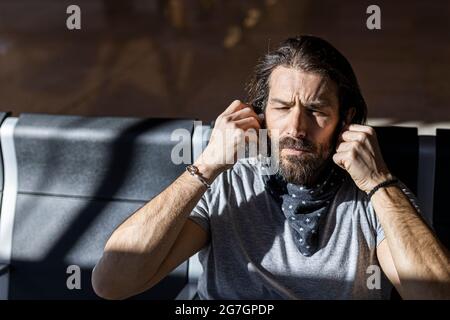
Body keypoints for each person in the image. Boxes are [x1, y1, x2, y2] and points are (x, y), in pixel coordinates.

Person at [91, 35, 450, 300]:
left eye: (316, 110)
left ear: (346, 119)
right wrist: (205, 165)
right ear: (259, 114)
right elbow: (112, 283)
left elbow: (435, 294)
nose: (296, 128)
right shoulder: (228, 181)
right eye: (281, 107)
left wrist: (378, 182)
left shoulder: (374, 194)